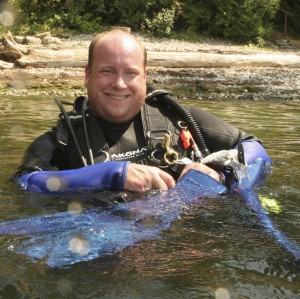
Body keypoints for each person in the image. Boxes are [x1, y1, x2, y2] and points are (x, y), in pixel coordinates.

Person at [15, 29, 271, 194]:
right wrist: (112, 174)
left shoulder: (180, 119)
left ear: (145, 77)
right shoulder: (60, 142)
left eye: (131, 73)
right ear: (88, 74)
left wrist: (224, 174)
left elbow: (256, 150)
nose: (119, 84)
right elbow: (25, 184)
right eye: (107, 71)